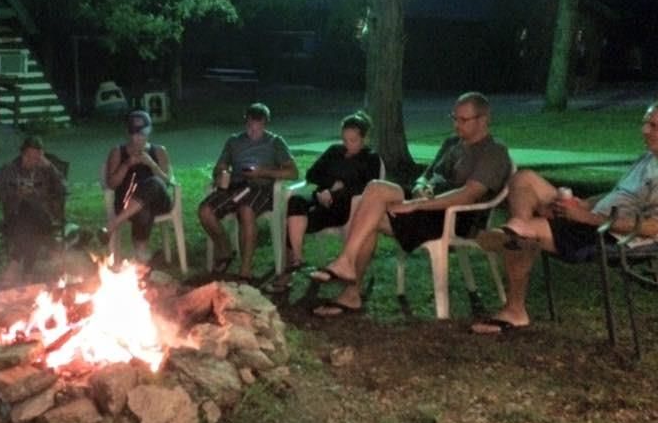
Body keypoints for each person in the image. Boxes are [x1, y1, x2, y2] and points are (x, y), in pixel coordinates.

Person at [309, 92, 512, 317]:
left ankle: (349, 282)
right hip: (426, 204)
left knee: (370, 209)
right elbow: (425, 175)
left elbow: (468, 195)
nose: (456, 124)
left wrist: (415, 206)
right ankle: (349, 278)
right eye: (454, 118)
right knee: (370, 195)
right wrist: (420, 187)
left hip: (451, 218)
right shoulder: (452, 143)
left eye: (463, 120)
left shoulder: (494, 151)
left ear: (483, 119)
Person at [473, 102, 658, 334]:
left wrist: (586, 218)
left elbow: (653, 228)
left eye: (654, 126)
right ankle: (518, 231)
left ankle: (515, 308)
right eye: (645, 123)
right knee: (524, 179)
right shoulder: (648, 158)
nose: (645, 130)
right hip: (592, 218)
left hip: (609, 234)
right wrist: (584, 203)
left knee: (523, 232)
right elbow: (618, 194)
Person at [267, 110, 383, 293]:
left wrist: (337, 192)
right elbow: (312, 173)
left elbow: (368, 188)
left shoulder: (371, 158)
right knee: (296, 201)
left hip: (345, 209)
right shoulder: (335, 151)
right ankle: (297, 260)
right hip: (321, 199)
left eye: (353, 140)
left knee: (298, 219)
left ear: (365, 138)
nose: (348, 145)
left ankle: (288, 272)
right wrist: (327, 188)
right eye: (345, 140)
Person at [199, 102, 299, 282]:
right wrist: (221, 174)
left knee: (246, 210)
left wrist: (263, 172)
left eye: (257, 129)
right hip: (236, 185)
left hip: (261, 187)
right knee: (205, 211)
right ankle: (225, 250)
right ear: (246, 123)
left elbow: (293, 172)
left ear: (265, 124)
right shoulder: (234, 141)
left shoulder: (275, 142)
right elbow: (220, 167)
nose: (252, 132)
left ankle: (245, 270)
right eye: (250, 127)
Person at [0, 135, 67, 280]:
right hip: (16, 217)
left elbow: (64, 190)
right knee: (31, 216)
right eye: (29, 157)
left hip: (41, 218)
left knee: (33, 220)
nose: (32, 161)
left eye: (37, 158)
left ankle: (16, 264)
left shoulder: (45, 170)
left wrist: (51, 168)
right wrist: (14, 193)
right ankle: (27, 272)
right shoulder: (9, 169)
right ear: (23, 154)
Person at [101, 110, 173, 262]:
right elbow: (112, 184)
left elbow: (167, 181)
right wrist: (126, 164)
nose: (137, 138)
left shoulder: (159, 151)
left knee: (154, 183)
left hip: (159, 201)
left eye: (141, 134)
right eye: (134, 134)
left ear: (148, 132)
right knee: (142, 210)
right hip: (128, 203)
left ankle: (113, 224)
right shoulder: (118, 152)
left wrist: (151, 164)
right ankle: (142, 256)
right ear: (128, 133)